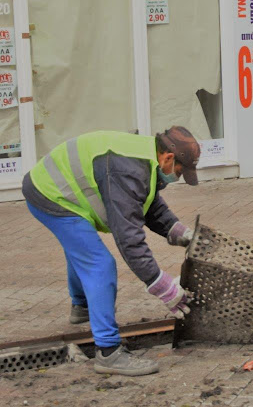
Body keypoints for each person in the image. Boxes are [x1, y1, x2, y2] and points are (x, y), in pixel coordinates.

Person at [22, 126, 200, 376]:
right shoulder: (127, 170)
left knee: (82, 250)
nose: (178, 177)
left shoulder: (146, 156)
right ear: (169, 158)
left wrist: (179, 232)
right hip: (51, 196)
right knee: (99, 264)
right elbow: (130, 241)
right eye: (180, 172)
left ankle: (82, 306)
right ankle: (108, 352)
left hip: (52, 186)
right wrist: (164, 288)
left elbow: (147, 201)